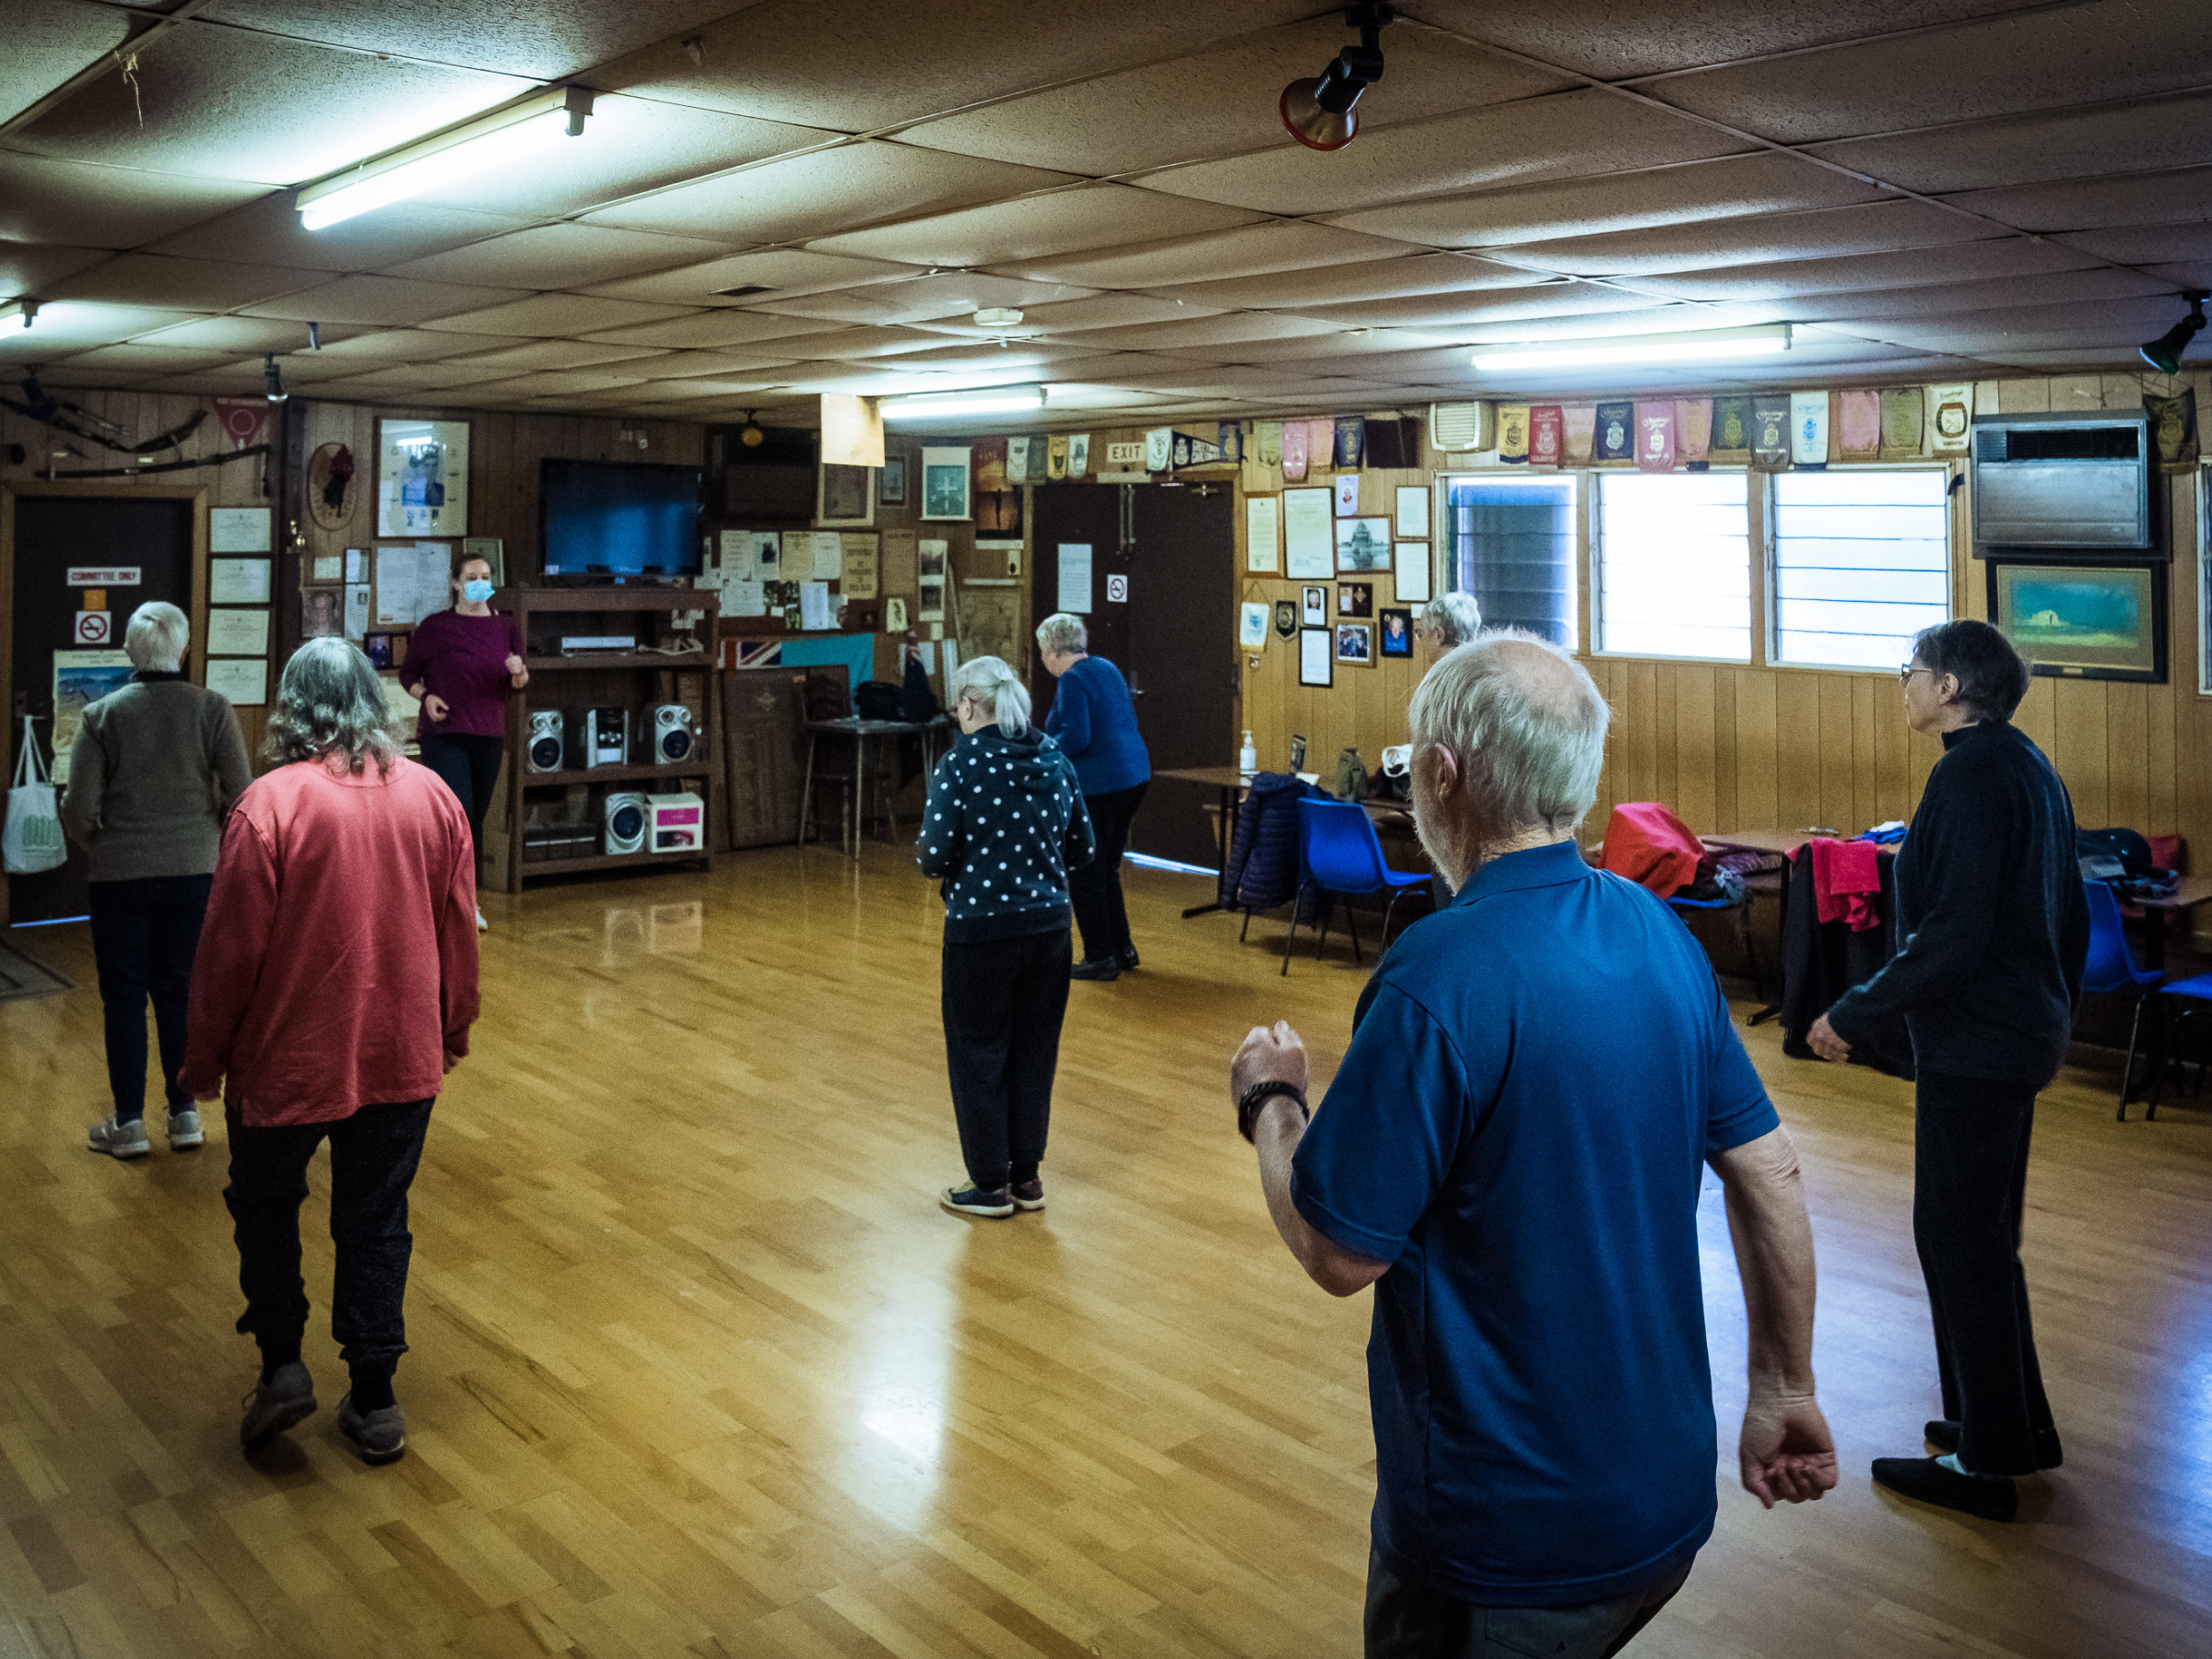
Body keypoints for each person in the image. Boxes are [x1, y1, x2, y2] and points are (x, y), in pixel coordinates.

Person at [1231, 631, 1836, 1658]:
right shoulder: (1659, 935)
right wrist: (1784, 1386)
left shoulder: (1438, 977)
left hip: (1502, 1544)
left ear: (1439, 775)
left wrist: (1274, 1106)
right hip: (1662, 1505)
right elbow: (1770, 1170)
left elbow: (1340, 1251)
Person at [1809, 620, 2088, 1523]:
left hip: (1980, 1043)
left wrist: (1854, 1011)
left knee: (1959, 1240)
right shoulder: (2024, 763)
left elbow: (1954, 933)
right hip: (2018, 1032)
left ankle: (1987, 1465)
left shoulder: (1968, 775)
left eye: (1912, 671)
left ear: (1952, 687)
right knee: (1982, 1240)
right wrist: (2053, 1012)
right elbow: (2068, 916)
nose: (1903, 682)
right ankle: (2005, 1426)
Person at [180, 638, 479, 1466]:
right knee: (376, 1222)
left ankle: (282, 1367)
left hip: (287, 1062)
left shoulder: (267, 806)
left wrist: (202, 1064)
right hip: (398, 1054)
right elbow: (459, 928)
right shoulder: (435, 796)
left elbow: (227, 957)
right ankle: (376, 1402)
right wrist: (454, 1024)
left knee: (267, 1207)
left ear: (290, 707)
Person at [60, 601, 252, 1159]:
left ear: (128, 652)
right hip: (195, 870)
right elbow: (244, 794)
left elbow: (79, 807)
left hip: (119, 873)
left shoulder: (100, 716)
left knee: (122, 995)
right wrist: (207, 836)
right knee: (179, 990)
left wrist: (102, 845)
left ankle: (129, 1124)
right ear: (186, 650)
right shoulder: (213, 708)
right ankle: (185, 1112)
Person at [916, 655, 1094, 1219]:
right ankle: (1029, 1178)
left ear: (969, 704)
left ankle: (989, 1184)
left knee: (978, 1053)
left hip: (980, 932)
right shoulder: (1053, 757)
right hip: (1048, 931)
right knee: (1034, 1053)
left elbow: (932, 856)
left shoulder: (960, 764)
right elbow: (1083, 849)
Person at [400, 550, 526, 931]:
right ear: (456, 583)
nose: (479, 582)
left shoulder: (506, 628)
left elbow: (518, 684)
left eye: (485, 576)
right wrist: (427, 696)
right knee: (459, 815)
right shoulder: (436, 627)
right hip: (444, 733)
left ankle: (459, 898)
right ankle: (456, 902)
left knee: (475, 818)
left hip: (488, 733)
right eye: (472, 576)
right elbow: (408, 675)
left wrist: (519, 673)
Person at [1036, 611, 1149, 982]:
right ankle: (1122, 949)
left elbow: (1078, 738)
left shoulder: (1072, 679)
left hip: (1102, 786)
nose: (1041, 659)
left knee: (1084, 871)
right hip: (1134, 777)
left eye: (1041, 650)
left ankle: (1100, 956)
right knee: (1106, 869)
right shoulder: (1106, 667)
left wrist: (1040, 749)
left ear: (1053, 649)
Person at [1412, 592, 1483, 668]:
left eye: (1420, 634)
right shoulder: (1479, 669)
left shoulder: (1444, 677)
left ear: (1438, 635)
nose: (1420, 642)